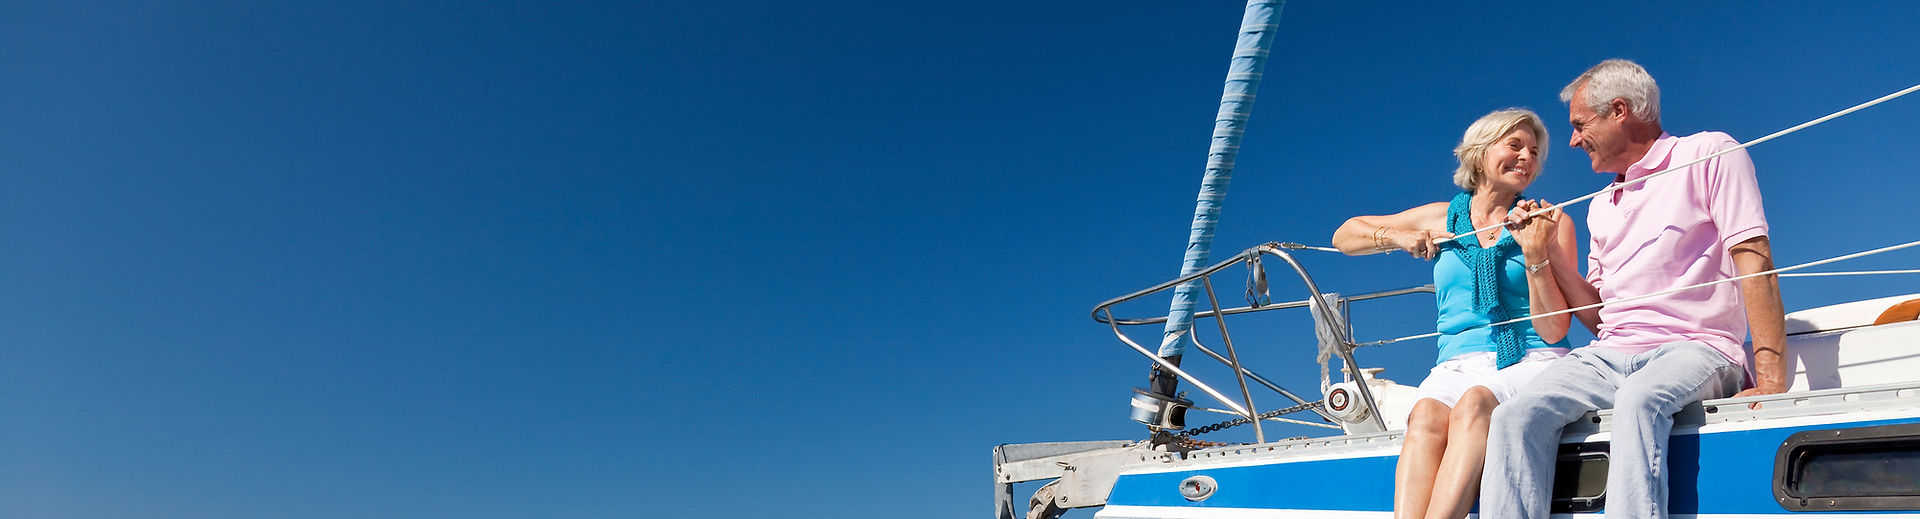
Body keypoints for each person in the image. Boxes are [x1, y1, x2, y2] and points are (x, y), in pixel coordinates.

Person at [1478, 59, 1789, 519]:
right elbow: (1599, 317)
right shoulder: (1601, 206)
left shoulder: (1710, 152)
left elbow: (1754, 261)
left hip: (1697, 347)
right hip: (1609, 354)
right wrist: (1546, 252)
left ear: (1619, 111)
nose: (1572, 140)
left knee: (1639, 400)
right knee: (1513, 416)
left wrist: (1771, 381)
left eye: (1580, 125)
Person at [1332, 108, 1578, 519]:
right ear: (1479, 153)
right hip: (1456, 362)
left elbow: (1554, 331)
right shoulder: (1441, 216)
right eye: (1515, 146)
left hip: (1532, 356)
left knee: (1475, 403)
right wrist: (1396, 235)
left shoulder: (1551, 221)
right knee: (1425, 414)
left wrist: (1536, 251)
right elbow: (1345, 235)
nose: (1527, 158)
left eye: (1534, 152)